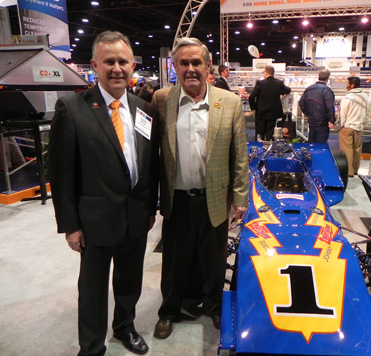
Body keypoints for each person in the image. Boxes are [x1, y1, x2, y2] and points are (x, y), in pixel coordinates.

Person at [48, 31, 159, 356]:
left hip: (136, 217)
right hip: (94, 221)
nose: (116, 68)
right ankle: (92, 346)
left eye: (122, 61)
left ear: (132, 65)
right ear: (95, 64)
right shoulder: (72, 107)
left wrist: (150, 207)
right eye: (109, 61)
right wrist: (70, 225)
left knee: (129, 283)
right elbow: (62, 172)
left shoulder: (145, 109)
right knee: (93, 289)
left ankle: (125, 327)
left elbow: (150, 164)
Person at [151, 37, 249, 339]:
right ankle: (170, 310)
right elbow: (151, 151)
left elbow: (239, 154)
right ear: (175, 67)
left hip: (216, 197)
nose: (190, 68)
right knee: (175, 260)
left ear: (208, 66)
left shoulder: (229, 102)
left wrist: (240, 197)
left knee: (213, 258)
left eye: (197, 62)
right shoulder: (162, 99)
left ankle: (214, 306)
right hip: (177, 198)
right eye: (184, 63)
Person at [338, 76, 371, 177]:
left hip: (348, 127)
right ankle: (355, 170)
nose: (346, 85)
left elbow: (343, 113)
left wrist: (342, 125)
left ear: (352, 85)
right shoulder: (365, 96)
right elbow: (368, 113)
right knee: (357, 150)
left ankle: (349, 172)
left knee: (347, 150)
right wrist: (364, 124)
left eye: (347, 83)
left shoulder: (347, 97)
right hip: (359, 127)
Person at [249, 65, 291, 140]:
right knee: (270, 133)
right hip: (273, 113)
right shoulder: (279, 83)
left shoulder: (260, 83)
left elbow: (251, 97)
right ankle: (268, 148)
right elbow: (288, 90)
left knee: (259, 134)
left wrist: (254, 107)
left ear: (266, 73)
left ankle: (259, 149)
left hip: (261, 113)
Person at [298, 69, 335, 143]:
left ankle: (311, 155)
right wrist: (331, 120)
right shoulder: (327, 90)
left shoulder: (309, 89)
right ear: (328, 78)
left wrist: (308, 114)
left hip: (312, 121)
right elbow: (330, 107)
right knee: (321, 145)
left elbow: (301, 103)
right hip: (323, 123)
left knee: (312, 143)